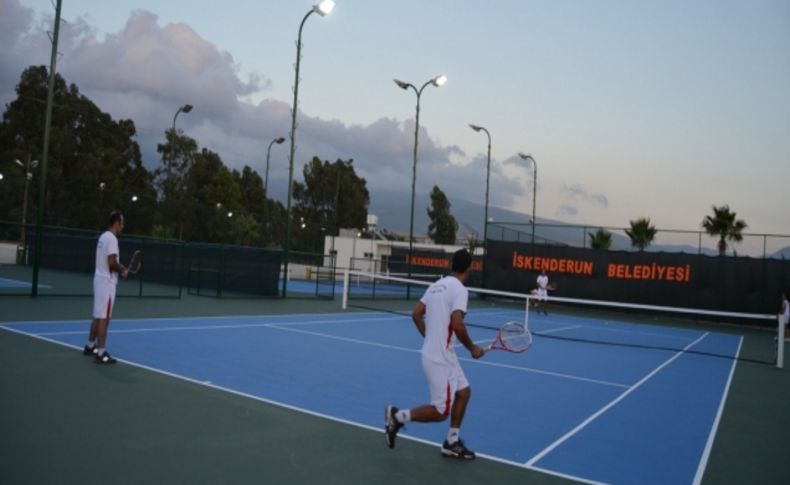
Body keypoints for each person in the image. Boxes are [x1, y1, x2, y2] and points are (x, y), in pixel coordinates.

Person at [384, 249, 485, 460]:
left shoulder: (436, 285)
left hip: (442, 354)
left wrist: (430, 338)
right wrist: (473, 348)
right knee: (441, 411)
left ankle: (452, 443)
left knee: (464, 393)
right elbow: (458, 324)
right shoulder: (459, 289)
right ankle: (398, 417)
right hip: (441, 359)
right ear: (470, 267)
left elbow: (416, 314)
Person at [83, 211, 128, 364]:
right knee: (104, 319)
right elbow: (111, 262)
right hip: (107, 283)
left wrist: (120, 267)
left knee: (97, 316)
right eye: (122, 223)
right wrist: (122, 269)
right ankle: (101, 353)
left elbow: (109, 261)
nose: (123, 226)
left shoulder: (103, 237)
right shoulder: (112, 239)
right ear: (116, 223)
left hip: (99, 280)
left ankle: (90, 346)